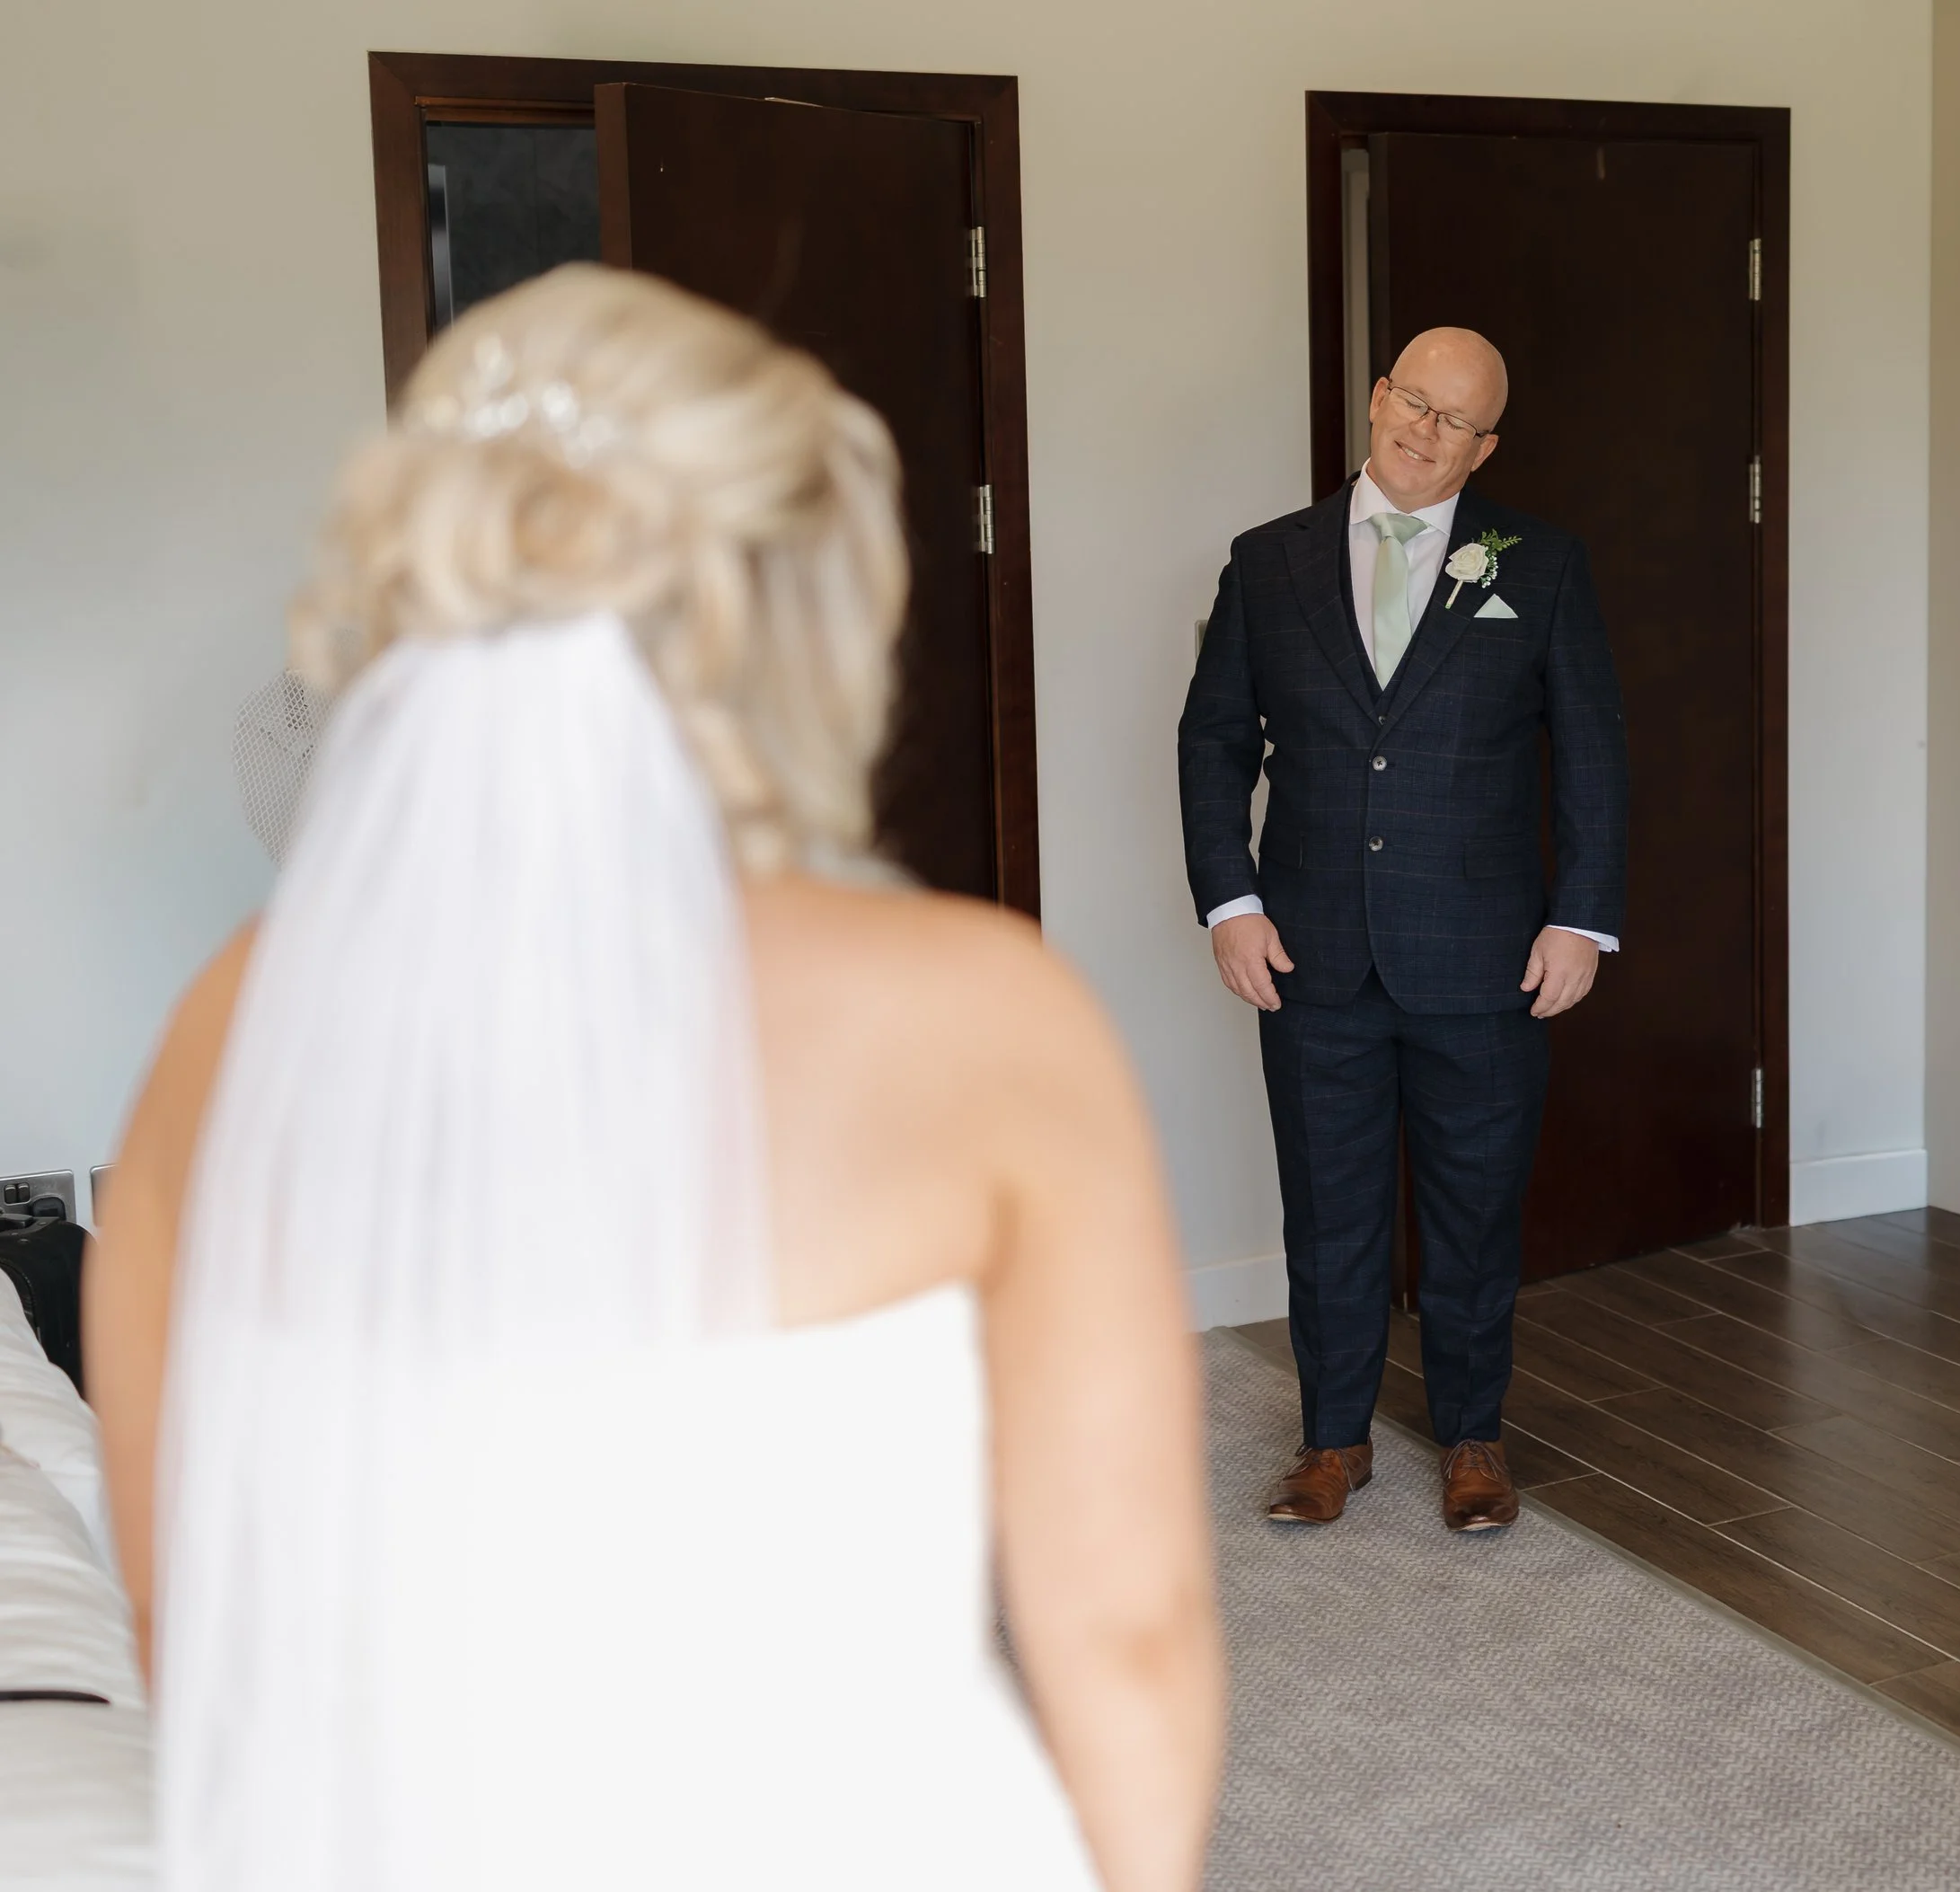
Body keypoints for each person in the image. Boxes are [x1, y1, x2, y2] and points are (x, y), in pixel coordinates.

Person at [86, 264, 1223, 1892]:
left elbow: (183, 1616)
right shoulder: (983, 1016)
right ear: (789, 599)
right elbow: (1124, 1628)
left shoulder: (223, 1028)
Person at [1179, 326, 1627, 1532]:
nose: (1425, 432)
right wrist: (1231, 901)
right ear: (1378, 400)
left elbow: (1591, 751)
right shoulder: (1268, 564)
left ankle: (1474, 1435)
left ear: (1486, 449)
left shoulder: (1538, 565)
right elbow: (1215, 739)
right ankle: (1333, 1440)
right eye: (1413, 403)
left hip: (1484, 953)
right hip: (1309, 949)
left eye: (1456, 422)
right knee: (1327, 1205)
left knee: (1476, 1207)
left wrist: (1580, 917)